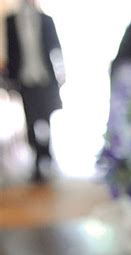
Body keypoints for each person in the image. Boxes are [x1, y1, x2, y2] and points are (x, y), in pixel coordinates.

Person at [5, 0, 64, 181]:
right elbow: (10, 51)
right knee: (31, 120)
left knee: (45, 118)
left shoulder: (46, 20)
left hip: (45, 78)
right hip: (25, 79)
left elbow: (56, 48)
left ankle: (46, 154)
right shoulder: (10, 21)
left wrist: (62, 74)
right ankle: (39, 159)